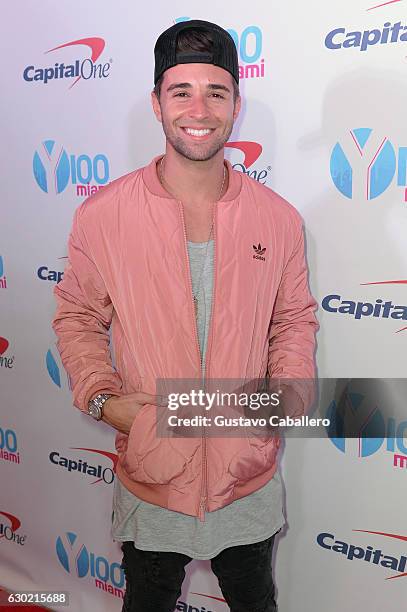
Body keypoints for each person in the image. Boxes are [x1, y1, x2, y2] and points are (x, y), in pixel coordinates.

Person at [52, 19, 318, 612]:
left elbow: (294, 318)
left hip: (244, 474)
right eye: (182, 92)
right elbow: (77, 315)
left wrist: (285, 398)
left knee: (256, 603)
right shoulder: (102, 215)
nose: (199, 109)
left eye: (216, 92)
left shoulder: (277, 219)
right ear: (157, 102)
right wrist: (102, 398)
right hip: (153, 474)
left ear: (235, 105)